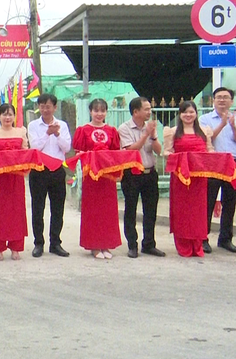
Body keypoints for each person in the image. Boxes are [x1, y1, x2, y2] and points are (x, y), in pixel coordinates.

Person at [162, 101, 214, 257]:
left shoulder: (205, 131)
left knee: (198, 212)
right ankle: (183, 245)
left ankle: (197, 245)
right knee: (183, 212)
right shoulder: (172, 131)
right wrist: (181, 158)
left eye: (191, 112)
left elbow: (210, 150)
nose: (188, 115)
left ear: (196, 113)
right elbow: (166, 152)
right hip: (181, 178)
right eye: (185, 112)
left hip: (199, 178)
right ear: (180, 114)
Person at [72, 98, 122, 259]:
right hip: (91, 177)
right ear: (90, 112)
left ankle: (106, 244)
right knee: (93, 211)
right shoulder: (83, 130)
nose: (99, 114)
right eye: (96, 110)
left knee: (108, 211)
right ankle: (94, 246)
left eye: (102, 110)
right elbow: (78, 152)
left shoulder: (112, 131)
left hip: (107, 177)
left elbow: (115, 153)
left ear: (106, 112)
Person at [199, 87, 236, 254]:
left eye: (226, 97)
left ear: (231, 101)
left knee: (230, 202)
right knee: (208, 201)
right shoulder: (205, 119)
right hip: (213, 163)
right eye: (219, 97)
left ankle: (226, 238)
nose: (222, 100)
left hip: (232, 162)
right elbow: (207, 139)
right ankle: (203, 238)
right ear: (213, 100)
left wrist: (233, 126)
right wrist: (222, 124)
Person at [118, 97, 165, 258]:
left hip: (150, 172)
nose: (149, 112)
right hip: (132, 174)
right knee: (131, 209)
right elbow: (132, 149)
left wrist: (153, 136)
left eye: (150, 109)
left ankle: (149, 244)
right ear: (136, 111)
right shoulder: (124, 128)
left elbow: (159, 150)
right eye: (146, 109)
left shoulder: (150, 127)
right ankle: (132, 245)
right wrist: (146, 134)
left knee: (150, 210)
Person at [27, 93, 72, 257]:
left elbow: (67, 148)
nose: (45, 109)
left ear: (55, 107)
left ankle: (55, 242)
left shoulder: (62, 125)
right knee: (38, 208)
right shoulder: (33, 125)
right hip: (39, 171)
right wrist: (47, 133)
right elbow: (35, 147)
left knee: (57, 208)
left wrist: (57, 134)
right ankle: (38, 243)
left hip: (57, 171)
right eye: (42, 106)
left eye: (48, 106)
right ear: (39, 107)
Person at [0, 103, 30, 261]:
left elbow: (25, 153)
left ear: (14, 116)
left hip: (16, 178)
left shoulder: (20, 132)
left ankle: (16, 247)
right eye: (4, 114)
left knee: (17, 212)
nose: (7, 117)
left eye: (10, 114)